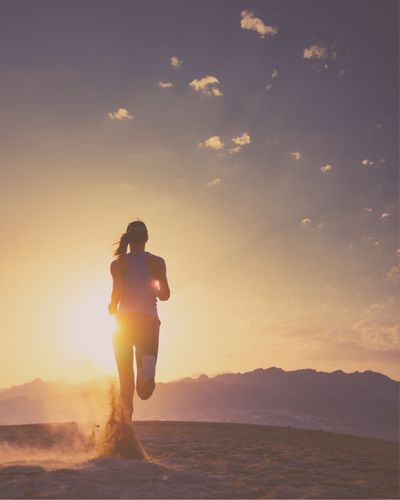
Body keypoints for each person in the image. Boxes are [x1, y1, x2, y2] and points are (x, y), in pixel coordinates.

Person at [108, 220, 170, 423]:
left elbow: (116, 293)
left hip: (123, 323)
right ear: (146, 239)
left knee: (126, 385)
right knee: (145, 392)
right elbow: (165, 295)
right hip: (148, 323)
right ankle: (148, 367)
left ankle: (125, 433)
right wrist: (154, 287)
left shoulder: (118, 264)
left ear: (128, 238)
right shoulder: (157, 262)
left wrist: (111, 306)